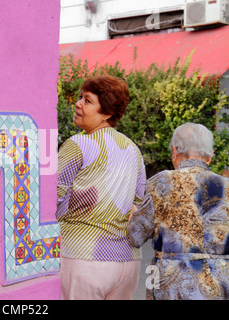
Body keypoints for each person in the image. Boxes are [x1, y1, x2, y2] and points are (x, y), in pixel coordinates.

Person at [56, 75, 146, 300]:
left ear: (106, 113)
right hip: (128, 263)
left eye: (87, 101)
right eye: (80, 98)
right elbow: (140, 200)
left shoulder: (78, 144)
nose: (77, 103)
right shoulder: (133, 149)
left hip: (84, 257)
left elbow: (52, 196)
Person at [128, 122, 229, 300]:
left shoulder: (161, 182)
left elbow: (135, 237)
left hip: (169, 287)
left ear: (174, 151)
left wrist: (133, 213)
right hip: (220, 286)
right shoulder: (227, 188)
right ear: (210, 157)